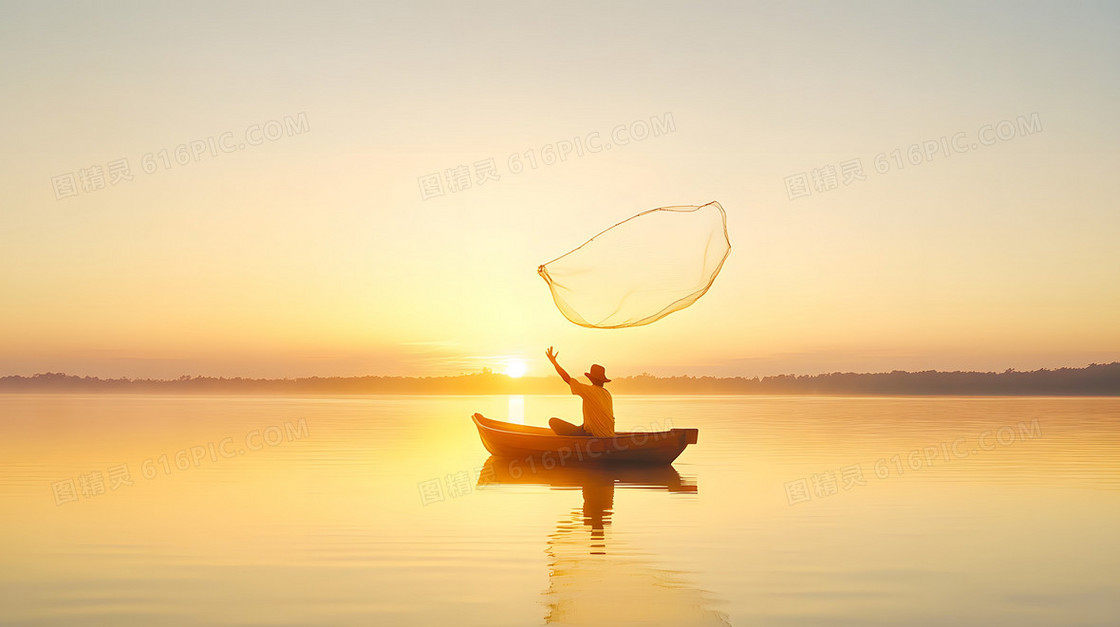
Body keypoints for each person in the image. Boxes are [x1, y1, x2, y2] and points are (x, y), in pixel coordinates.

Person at [545, 346, 615, 437]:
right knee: (582, 427)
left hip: (594, 436)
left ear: (592, 379)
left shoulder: (589, 391)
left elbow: (567, 379)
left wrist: (555, 363)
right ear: (603, 381)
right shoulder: (607, 394)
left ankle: (569, 445)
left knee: (553, 422)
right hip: (609, 435)